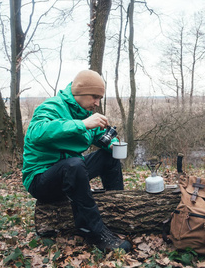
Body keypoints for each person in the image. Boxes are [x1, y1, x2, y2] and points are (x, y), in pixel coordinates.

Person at [22, 69, 132, 253]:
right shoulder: (51, 107)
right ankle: (94, 232)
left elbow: (99, 135)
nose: (97, 103)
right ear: (79, 93)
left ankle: (117, 210)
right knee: (74, 164)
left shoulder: (84, 111)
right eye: (94, 97)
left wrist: (112, 144)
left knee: (108, 156)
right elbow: (37, 132)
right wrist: (82, 124)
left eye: (100, 98)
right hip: (41, 179)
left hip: (69, 173)